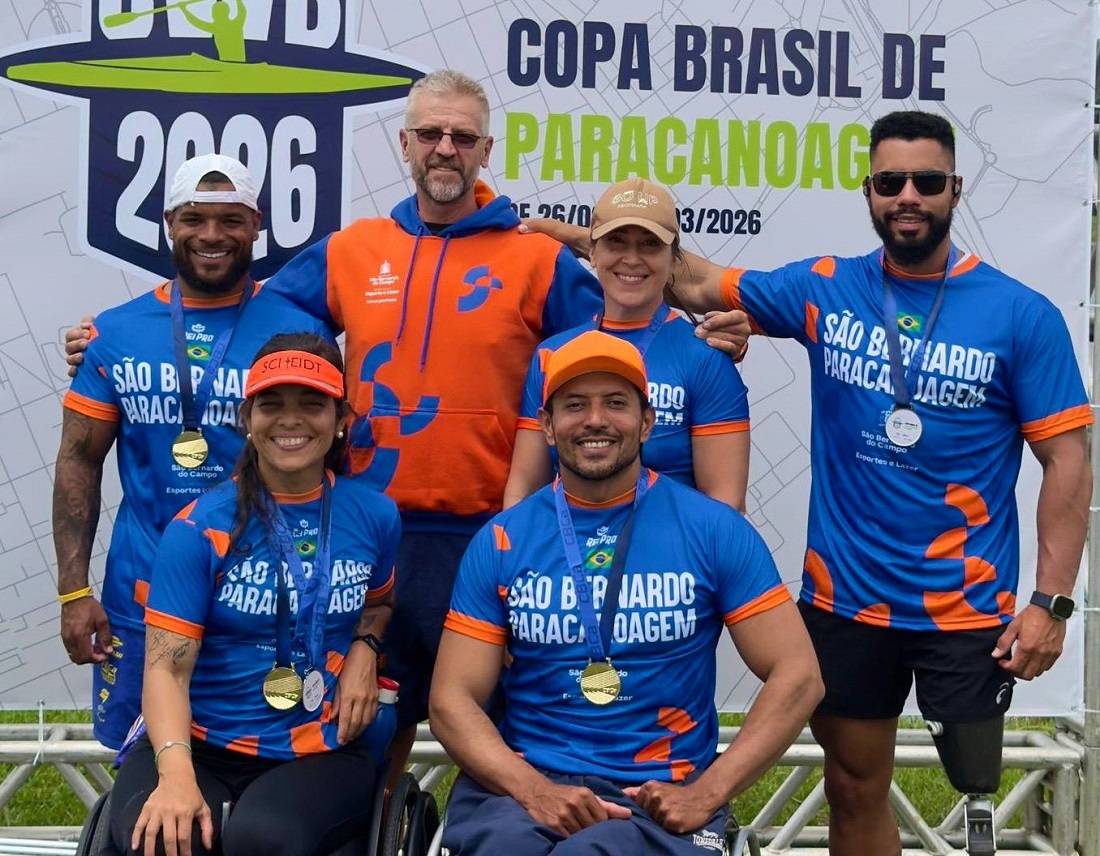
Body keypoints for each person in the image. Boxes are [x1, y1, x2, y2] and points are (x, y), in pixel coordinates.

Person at [64, 69, 751, 771]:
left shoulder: (536, 259)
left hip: (490, 536)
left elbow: (617, 341)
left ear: (487, 149)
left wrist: (705, 334)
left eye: (461, 136)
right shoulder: (353, 249)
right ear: (404, 143)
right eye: (429, 133)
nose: (444, 148)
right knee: (366, 735)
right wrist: (122, 334)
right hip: (366, 538)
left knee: (511, 732)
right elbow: (246, 312)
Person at [526, 110, 1093, 856]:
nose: (908, 196)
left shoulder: (1022, 315)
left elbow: (1069, 462)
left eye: (927, 181)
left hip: (967, 607)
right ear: (869, 192)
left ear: (956, 188)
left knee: (975, 790)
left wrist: (1050, 603)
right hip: (846, 600)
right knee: (853, 785)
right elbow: (693, 280)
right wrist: (585, 243)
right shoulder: (827, 287)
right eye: (891, 181)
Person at [430, 330, 823, 856]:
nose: (595, 420)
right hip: (525, 791)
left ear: (647, 422)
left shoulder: (713, 529)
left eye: (616, 403)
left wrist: (706, 792)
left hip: (660, 797)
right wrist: (536, 791)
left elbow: (799, 676)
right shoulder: (503, 539)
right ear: (546, 425)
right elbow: (451, 700)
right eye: (574, 405)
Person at [52, 153, 334, 749]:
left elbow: (329, 464)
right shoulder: (114, 332)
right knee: (145, 773)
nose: (211, 235)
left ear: (257, 225)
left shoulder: (302, 332)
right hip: (142, 595)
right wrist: (75, 592)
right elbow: (79, 460)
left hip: (260, 602)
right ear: (168, 222)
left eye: (230, 220)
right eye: (193, 218)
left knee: (262, 767)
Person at [107, 333, 400, 856]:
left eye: (312, 404)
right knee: (163, 842)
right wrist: (175, 776)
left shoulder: (375, 517)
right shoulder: (199, 527)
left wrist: (366, 647)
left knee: (265, 840)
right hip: (198, 744)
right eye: (271, 404)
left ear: (341, 421)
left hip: (320, 750)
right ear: (247, 419)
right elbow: (165, 669)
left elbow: (378, 603)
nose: (291, 420)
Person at [503, 177, 750, 511]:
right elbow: (522, 493)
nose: (632, 259)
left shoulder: (705, 357)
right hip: (567, 557)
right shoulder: (552, 354)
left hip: (671, 559)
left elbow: (725, 506)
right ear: (592, 251)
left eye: (650, 244)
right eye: (616, 242)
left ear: (674, 258)